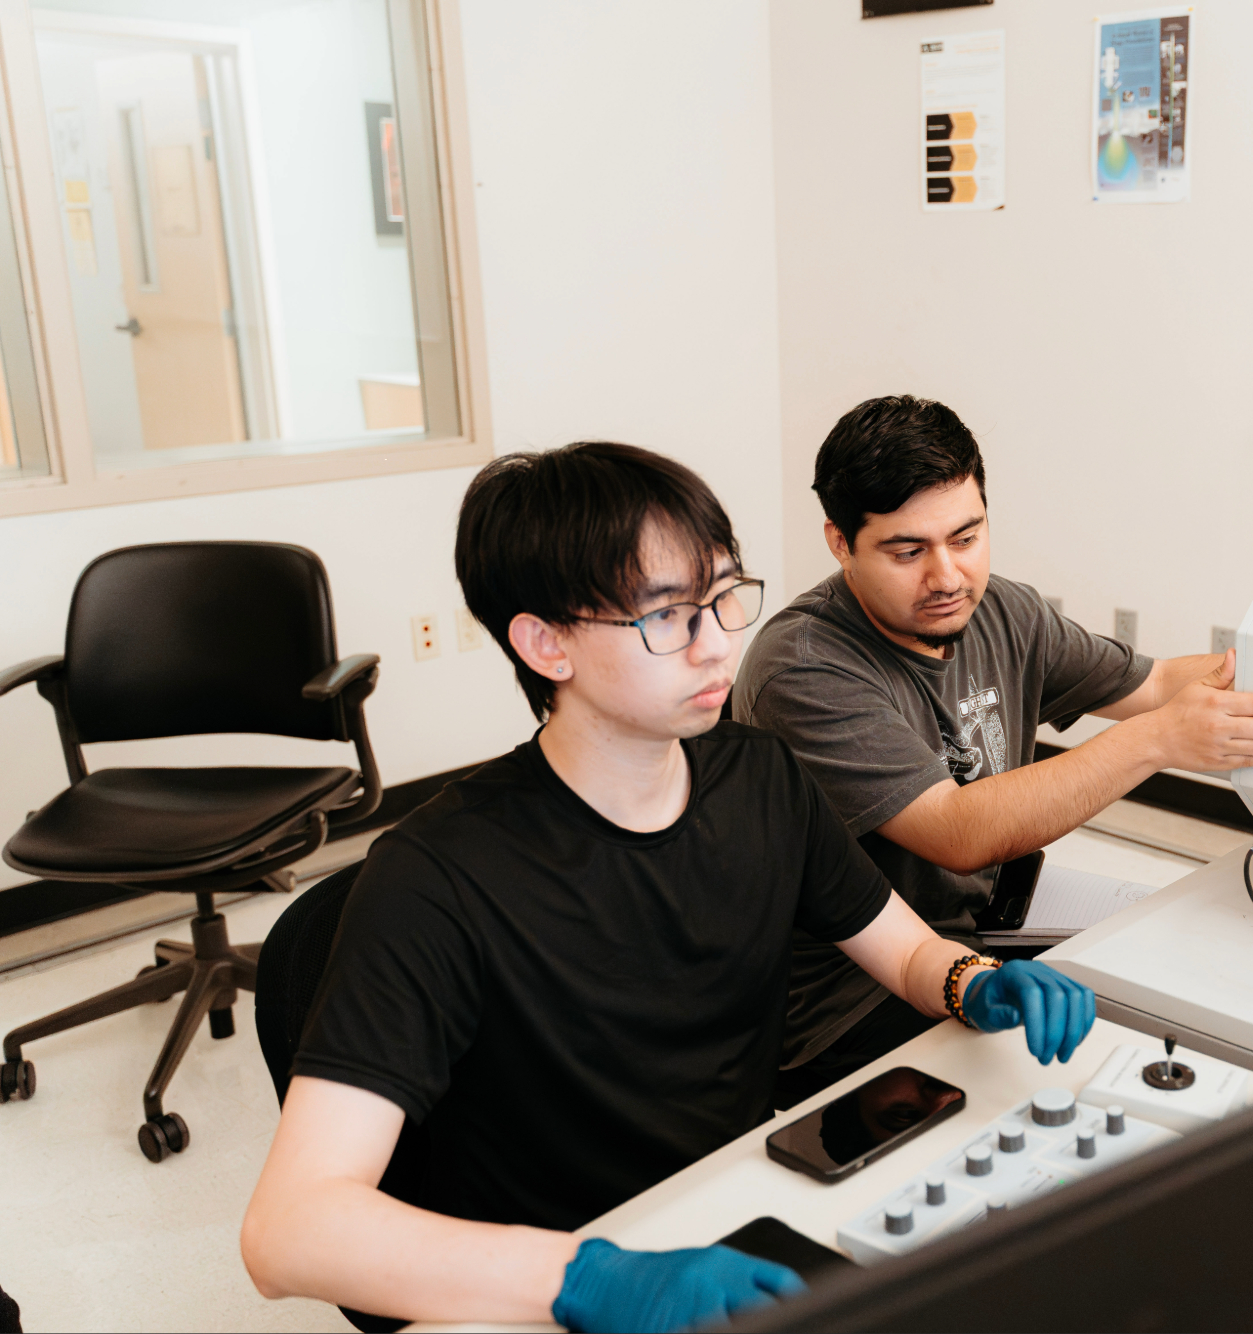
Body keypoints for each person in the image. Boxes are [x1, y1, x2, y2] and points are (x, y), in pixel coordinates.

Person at [239, 442, 1095, 1334]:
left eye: (724, 599)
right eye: (666, 618)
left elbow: (907, 949)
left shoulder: (760, 778)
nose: (717, 643)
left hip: (724, 1221)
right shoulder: (436, 877)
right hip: (540, 1286)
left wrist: (975, 983)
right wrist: (591, 1279)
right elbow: (288, 1232)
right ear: (546, 643)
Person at [734, 396, 1253, 1107]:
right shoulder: (804, 667)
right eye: (907, 552)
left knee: (1183, 964)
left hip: (981, 924)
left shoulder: (1001, 610)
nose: (947, 577)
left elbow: (1153, 684)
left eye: (966, 538)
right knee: (1053, 1096)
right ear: (841, 543)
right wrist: (1162, 740)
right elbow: (960, 832)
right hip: (846, 997)